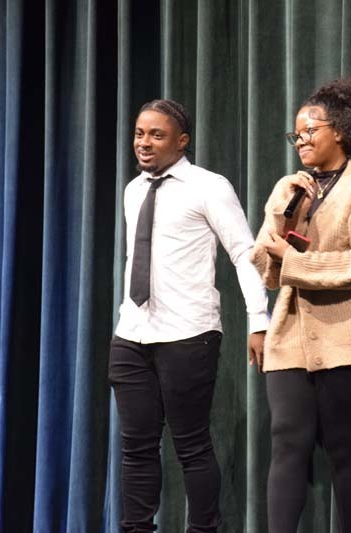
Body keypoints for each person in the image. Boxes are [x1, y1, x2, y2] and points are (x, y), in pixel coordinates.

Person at [108, 99, 269, 533]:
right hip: (132, 333)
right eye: (139, 133)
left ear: (182, 141)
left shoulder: (209, 186)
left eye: (156, 135)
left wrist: (258, 320)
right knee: (136, 447)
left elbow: (244, 253)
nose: (144, 142)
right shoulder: (133, 190)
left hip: (188, 334)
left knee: (191, 446)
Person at [250, 77, 351, 533]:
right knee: (286, 442)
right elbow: (266, 266)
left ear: (339, 131)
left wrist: (294, 261)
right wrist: (286, 213)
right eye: (295, 134)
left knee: (341, 446)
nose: (301, 141)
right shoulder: (289, 187)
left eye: (310, 131)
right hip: (291, 335)